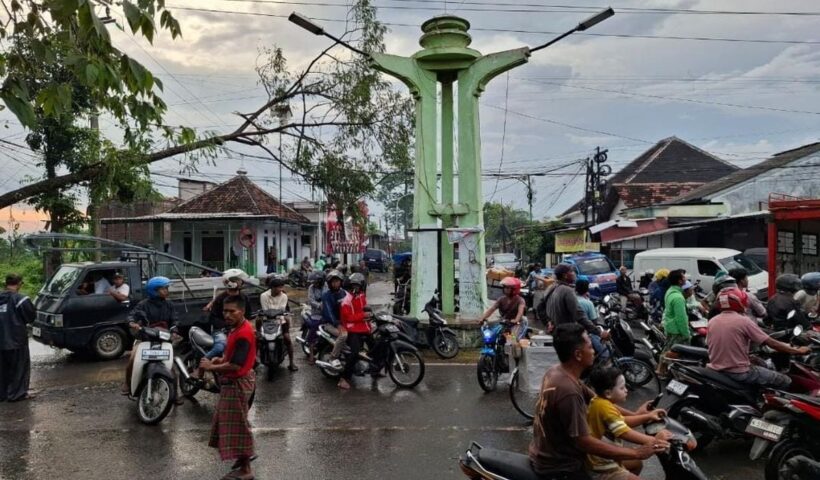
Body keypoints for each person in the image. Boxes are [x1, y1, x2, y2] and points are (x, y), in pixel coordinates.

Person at [528, 323, 667, 479]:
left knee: (635, 463)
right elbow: (584, 442)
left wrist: (638, 414)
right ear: (578, 354)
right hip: (563, 466)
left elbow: (600, 401)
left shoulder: (557, 371)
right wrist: (637, 451)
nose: (594, 350)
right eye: (590, 347)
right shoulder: (568, 391)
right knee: (634, 462)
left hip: (547, 453)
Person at [200, 295, 257, 480]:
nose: (227, 314)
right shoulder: (236, 328)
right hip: (235, 382)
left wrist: (212, 366)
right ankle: (243, 458)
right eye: (225, 311)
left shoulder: (243, 333)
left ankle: (246, 470)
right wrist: (220, 359)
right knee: (231, 422)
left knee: (238, 426)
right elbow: (231, 358)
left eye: (232, 311)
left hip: (238, 383)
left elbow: (236, 366)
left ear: (242, 311)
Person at [707, 287, 810, 389]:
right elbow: (771, 343)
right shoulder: (743, 321)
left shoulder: (712, 321)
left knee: (761, 364)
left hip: (717, 369)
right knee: (786, 380)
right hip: (738, 372)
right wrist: (797, 351)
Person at [587, 366, 673, 480]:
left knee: (636, 464)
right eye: (622, 388)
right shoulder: (605, 408)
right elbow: (625, 433)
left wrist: (647, 415)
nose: (626, 390)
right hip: (603, 465)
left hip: (600, 458)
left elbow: (622, 421)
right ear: (608, 393)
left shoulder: (599, 401)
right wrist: (655, 441)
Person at [122, 276, 178, 396]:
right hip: (144, 339)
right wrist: (132, 323)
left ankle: (176, 393)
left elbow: (174, 320)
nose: (167, 291)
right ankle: (127, 383)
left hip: (163, 339)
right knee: (132, 360)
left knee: (172, 367)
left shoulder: (170, 305)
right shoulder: (143, 304)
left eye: (167, 288)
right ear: (154, 290)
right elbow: (131, 316)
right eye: (164, 289)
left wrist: (174, 330)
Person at [539, 263, 608, 341]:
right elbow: (579, 315)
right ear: (565, 275)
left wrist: (547, 322)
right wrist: (599, 332)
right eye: (571, 271)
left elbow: (540, 308)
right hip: (567, 336)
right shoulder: (567, 291)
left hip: (555, 334)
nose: (574, 274)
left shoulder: (551, 288)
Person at [0, 274, 36, 402]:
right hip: (16, 340)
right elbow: (31, 316)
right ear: (19, 284)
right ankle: (17, 394)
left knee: (3, 369)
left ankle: (3, 394)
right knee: (19, 369)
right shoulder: (20, 299)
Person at [338, 273, 370, 390]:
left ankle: (375, 369)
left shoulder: (361, 296)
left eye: (358, 286)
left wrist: (369, 315)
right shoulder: (346, 300)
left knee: (375, 344)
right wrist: (363, 315)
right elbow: (348, 318)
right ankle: (344, 379)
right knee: (355, 352)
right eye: (354, 286)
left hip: (363, 326)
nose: (356, 288)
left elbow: (365, 308)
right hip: (351, 328)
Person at [260, 276, 297, 372]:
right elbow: (265, 310)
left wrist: (279, 314)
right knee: (258, 338)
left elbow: (282, 309)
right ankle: (254, 360)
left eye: (281, 287)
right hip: (266, 320)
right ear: (272, 287)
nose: (280, 289)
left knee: (287, 338)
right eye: (278, 287)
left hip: (280, 320)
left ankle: (291, 363)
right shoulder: (264, 296)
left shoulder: (284, 296)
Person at [658, 269, 689, 377]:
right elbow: (681, 318)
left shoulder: (670, 291)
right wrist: (686, 333)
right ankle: (662, 370)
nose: (686, 278)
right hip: (677, 329)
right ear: (680, 281)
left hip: (670, 326)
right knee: (673, 352)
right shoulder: (678, 297)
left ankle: (662, 370)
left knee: (668, 349)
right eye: (683, 277)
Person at [479, 276, 527, 341]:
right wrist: (482, 318)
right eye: (505, 287)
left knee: (513, 340)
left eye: (508, 288)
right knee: (492, 332)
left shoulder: (520, 300)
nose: (505, 289)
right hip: (505, 321)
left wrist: (516, 320)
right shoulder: (501, 299)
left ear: (514, 289)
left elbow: (520, 312)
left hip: (518, 323)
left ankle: (515, 348)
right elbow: (492, 309)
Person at [321, 270, 348, 370]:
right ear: (329, 283)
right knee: (343, 335)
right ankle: (333, 357)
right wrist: (337, 324)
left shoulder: (344, 293)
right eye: (333, 282)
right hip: (330, 323)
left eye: (337, 281)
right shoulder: (326, 296)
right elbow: (329, 313)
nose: (335, 283)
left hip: (343, 321)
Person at [305, 271, 326, 364]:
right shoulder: (311, 288)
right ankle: (311, 355)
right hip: (316, 314)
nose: (314, 284)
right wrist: (319, 305)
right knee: (313, 331)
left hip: (328, 313)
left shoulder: (327, 286)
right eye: (313, 282)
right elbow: (310, 300)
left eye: (315, 282)